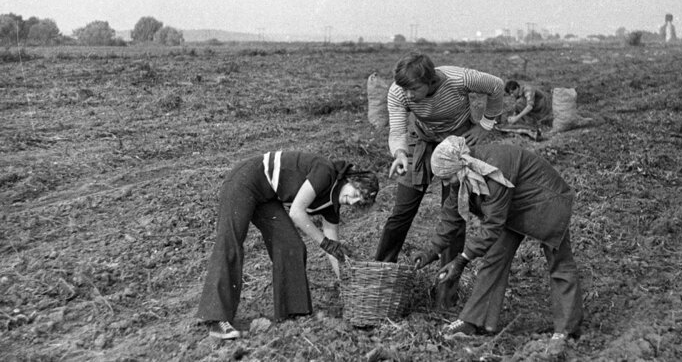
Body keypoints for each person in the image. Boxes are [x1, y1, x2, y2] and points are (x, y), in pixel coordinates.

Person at [412, 136, 583, 346]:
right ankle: (473, 320)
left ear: (461, 166)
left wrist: (462, 260)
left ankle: (566, 329)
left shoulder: (493, 171)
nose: (446, 184)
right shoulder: (462, 172)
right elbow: (451, 214)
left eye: (447, 178)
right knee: (494, 258)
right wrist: (431, 250)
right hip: (514, 208)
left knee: (559, 263)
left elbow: (492, 225)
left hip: (547, 200)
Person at [197, 151, 379, 339]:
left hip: (267, 196)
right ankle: (216, 319)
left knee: (291, 245)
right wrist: (324, 243)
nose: (354, 200)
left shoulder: (333, 205)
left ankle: (293, 312)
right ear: (351, 180)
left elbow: (333, 244)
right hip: (246, 179)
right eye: (356, 193)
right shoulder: (325, 172)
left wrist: (347, 282)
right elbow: (297, 213)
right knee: (230, 241)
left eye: (359, 201)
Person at [374, 52, 504, 308]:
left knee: (456, 213)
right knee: (402, 210)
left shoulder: (459, 79)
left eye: (414, 89)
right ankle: (379, 278)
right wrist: (400, 154)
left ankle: (445, 295)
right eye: (405, 90)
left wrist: (485, 125)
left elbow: (496, 86)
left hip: (457, 141)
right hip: (421, 140)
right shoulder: (399, 92)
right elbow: (398, 129)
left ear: (431, 81)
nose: (408, 95)